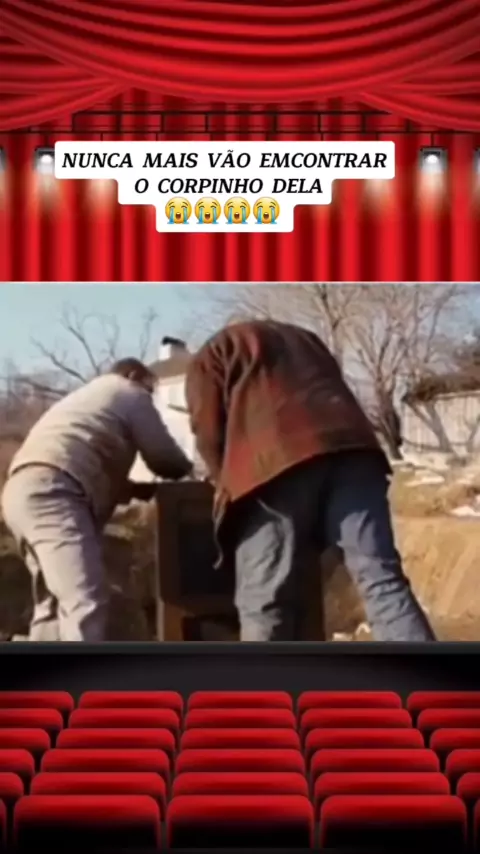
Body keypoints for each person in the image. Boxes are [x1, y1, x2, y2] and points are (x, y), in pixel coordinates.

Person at [185, 320, 436, 643]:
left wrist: (223, 478)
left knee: (264, 602)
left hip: (276, 462)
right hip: (355, 451)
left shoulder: (213, 352)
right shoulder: (308, 340)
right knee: (382, 581)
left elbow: (206, 429)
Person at [1, 358, 193, 642]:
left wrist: (137, 490)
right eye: (149, 390)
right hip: (54, 493)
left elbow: (89, 467)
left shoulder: (85, 402)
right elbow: (164, 459)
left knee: (53, 604)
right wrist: (192, 470)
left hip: (21, 492)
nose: (150, 399)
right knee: (84, 599)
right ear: (132, 375)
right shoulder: (128, 391)